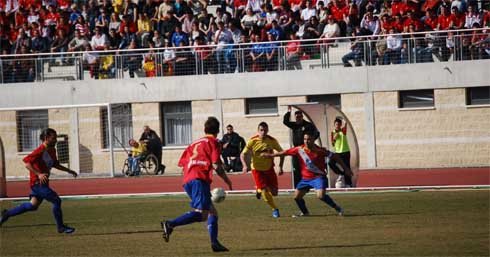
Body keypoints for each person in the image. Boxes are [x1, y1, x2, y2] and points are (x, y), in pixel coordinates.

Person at [161, 117, 233, 252]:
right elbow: (216, 165)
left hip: (188, 179)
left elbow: (183, 162)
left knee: (212, 212)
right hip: (199, 179)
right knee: (202, 214)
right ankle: (170, 224)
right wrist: (227, 180)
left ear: (205, 129)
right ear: (217, 130)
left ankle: (215, 243)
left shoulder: (194, 143)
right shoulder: (214, 142)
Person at [0, 128, 78, 233]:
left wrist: (69, 170)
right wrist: (39, 174)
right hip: (37, 184)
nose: (55, 140)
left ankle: (7, 214)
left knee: (33, 205)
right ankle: (61, 227)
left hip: (43, 184)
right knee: (56, 200)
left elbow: (55, 164)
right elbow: (27, 163)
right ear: (46, 138)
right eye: (53, 138)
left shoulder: (52, 150)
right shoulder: (40, 150)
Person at [261, 131, 347, 217]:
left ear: (313, 140)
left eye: (309, 139)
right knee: (297, 197)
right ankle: (305, 213)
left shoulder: (320, 150)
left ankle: (337, 208)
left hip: (318, 177)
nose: (306, 141)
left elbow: (335, 156)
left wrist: (346, 169)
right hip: (305, 179)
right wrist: (270, 155)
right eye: (305, 139)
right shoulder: (299, 149)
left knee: (320, 196)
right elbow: (284, 152)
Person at [240, 122, 284, 218]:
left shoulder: (272, 141)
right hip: (257, 169)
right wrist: (244, 165)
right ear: (258, 131)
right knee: (265, 191)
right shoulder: (252, 141)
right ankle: (274, 209)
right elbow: (243, 154)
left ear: (267, 130)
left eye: (265, 130)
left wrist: (280, 166)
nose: (263, 132)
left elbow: (282, 153)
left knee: (274, 193)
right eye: (261, 130)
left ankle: (259, 189)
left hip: (269, 169)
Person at [283, 106, 319, 187]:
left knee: (307, 167)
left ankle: (311, 184)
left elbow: (317, 133)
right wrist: (289, 112)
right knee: (296, 168)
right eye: (297, 117)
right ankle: (298, 186)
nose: (298, 119)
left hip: (305, 149)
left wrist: (311, 142)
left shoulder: (308, 125)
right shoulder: (294, 125)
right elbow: (285, 122)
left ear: (302, 117)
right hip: (296, 150)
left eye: (300, 117)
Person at [328, 117, 353, 187]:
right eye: (336, 124)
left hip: (345, 151)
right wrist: (334, 139)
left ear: (340, 125)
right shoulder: (332, 132)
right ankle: (340, 173)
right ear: (334, 125)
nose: (337, 126)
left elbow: (345, 123)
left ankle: (348, 183)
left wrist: (341, 118)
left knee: (346, 167)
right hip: (337, 152)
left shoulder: (343, 130)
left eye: (339, 124)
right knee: (330, 162)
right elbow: (332, 144)